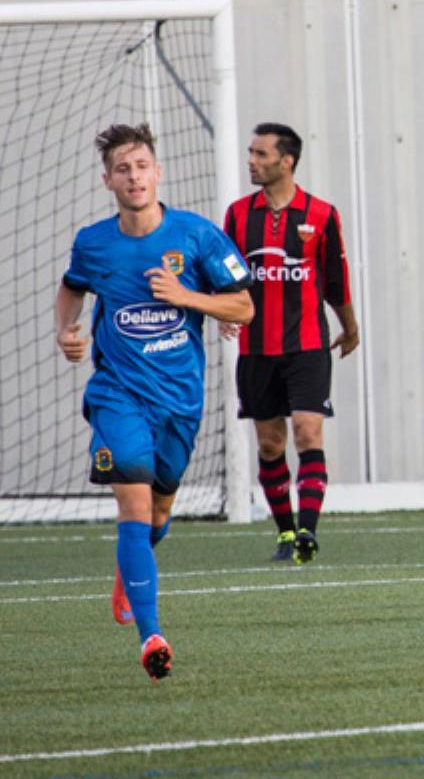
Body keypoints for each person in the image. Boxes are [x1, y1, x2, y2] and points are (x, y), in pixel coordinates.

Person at [55, 123, 254, 680]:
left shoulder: (197, 236)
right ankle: (152, 638)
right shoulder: (94, 242)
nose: (134, 176)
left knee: (159, 513)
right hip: (118, 395)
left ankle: (131, 562)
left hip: (180, 401)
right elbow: (71, 286)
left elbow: (243, 307)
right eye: (123, 169)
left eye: (142, 165)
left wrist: (189, 297)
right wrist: (66, 331)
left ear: (157, 172)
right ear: (107, 180)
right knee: (135, 508)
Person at [221, 123, 359, 564]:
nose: (251, 161)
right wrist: (223, 307)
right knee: (269, 444)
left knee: (307, 430)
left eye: (260, 154)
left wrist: (350, 327)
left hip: (307, 345)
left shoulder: (321, 214)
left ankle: (307, 533)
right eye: (250, 153)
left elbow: (335, 281)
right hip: (256, 348)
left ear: (287, 161)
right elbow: (225, 274)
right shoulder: (238, 215)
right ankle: (284, 532)